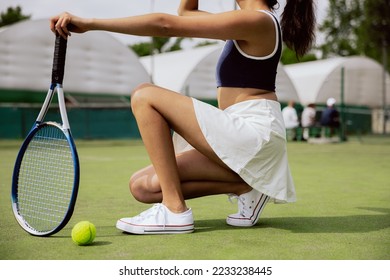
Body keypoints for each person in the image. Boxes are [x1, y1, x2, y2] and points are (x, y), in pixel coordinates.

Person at [50, 0, 316, 234]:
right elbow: (186, 12)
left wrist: (90, 23)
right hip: (241, 133)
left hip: (253, 132)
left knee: (145, 95)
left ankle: (175, 211)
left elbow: (167, 25)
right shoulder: (242, 22)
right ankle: (246, 186)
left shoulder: (257, 19)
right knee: (142, 187)